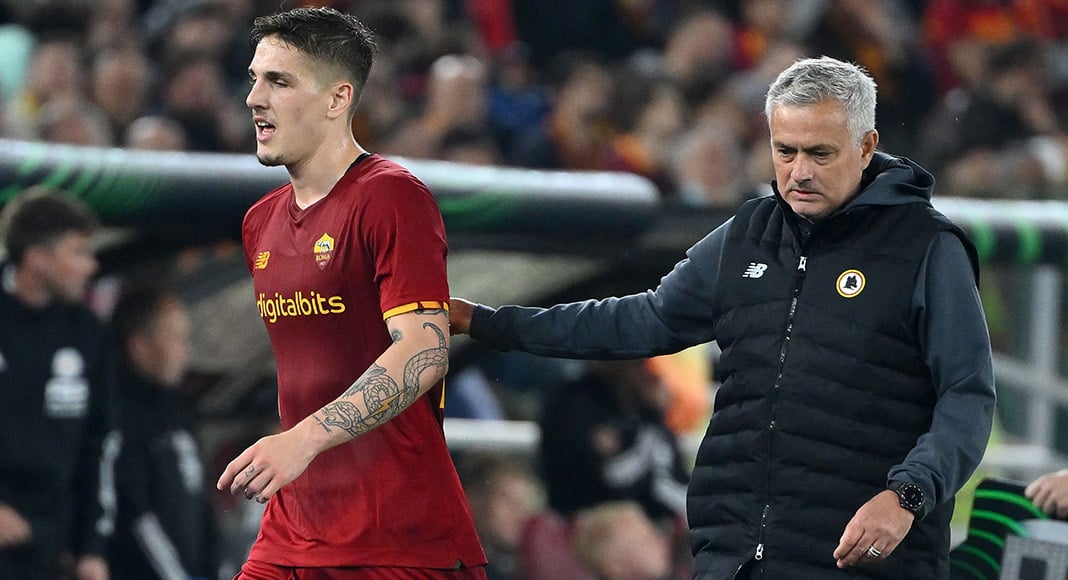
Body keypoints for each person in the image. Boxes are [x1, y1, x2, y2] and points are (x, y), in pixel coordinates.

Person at [450, 56, 996, 579]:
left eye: (820, 154)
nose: (799, 172)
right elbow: (641, 319)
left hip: (865, 560)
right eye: (785, 151)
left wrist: (907, 496)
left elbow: (966, 395)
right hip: (736, 557)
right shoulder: (747, 235)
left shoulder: (928, 249)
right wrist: (491, 323)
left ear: (867, 146)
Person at [214, 7, 486, 579]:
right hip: (292, 530)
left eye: (279, 82)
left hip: (397, 541)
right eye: (254, 79)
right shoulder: (259, 222)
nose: (254, 99)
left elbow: (424, 349)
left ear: (338, 99)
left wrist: (303, 440)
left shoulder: (391, 198)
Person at [0, 188, 119, 580]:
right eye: (78, 252)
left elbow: (99, 445)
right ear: (36, 258)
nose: (91, 265)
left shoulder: (86, 334)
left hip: (53, 548)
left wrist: (91, 550)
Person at [107, 283, 217, 580]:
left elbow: (201, 501)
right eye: (175, 339)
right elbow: (135, 512)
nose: (186, 350)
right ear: (139, 347)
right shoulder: (120, 418)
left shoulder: (178, 412)